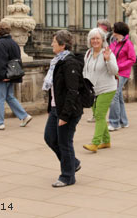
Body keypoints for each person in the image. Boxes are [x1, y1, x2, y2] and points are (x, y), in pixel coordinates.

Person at [43, 30, 84, 187]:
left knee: (64, 142)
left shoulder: (69, 63)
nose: (52, 44)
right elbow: (54, 88)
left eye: (54, 42)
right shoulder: (57, 61)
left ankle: (67, 176)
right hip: (56, 107)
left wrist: (65, 116)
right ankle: (72, 163)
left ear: (62, 45)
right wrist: (50, 107)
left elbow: (72, 91)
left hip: (68, 110)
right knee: (49, 137)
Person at [0, 21, 32, 130]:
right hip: (12, 74)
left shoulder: (1, 43)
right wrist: (11, 75)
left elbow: (1, 61)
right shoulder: (14, 43)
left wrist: (3, 75)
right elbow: (17, 60)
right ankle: (24, 116)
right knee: (9, 96)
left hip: (4, 75)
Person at [83, 28, 118, 152]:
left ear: (102, 40)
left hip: (107, 88)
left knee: (99, 115)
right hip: (93, 90)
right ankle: (106, 141)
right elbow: (85, 71)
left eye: (97, 38)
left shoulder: (108, 53)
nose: (95, 41)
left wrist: (108, 60)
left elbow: (115, 71)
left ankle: (95, 143)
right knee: (98, 115)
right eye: (93, 38)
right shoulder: (88, 53)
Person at [108, 22, 136, 131]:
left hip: (122, 73)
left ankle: (114, 123)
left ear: (118, 31)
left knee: (113, 96)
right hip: (114, 72)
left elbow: (132, 59)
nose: (112, 32)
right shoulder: (114, 42)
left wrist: (118, 66)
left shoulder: (128, 44)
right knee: (118, 97)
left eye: (114, 30)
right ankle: (124, 121)